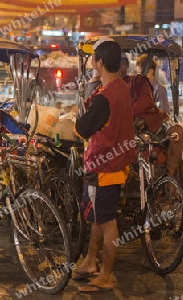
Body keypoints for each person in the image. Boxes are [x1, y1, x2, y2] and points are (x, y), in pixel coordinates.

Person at [72, 37, 136, 292]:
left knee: (107, 222)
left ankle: (106, 276)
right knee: (98, 218)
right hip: (117, 163)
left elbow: (83, 128)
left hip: (103, 167)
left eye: (93, 57)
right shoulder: (121, 87)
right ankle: (90, 262)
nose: (90, 61)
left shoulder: (104, 97)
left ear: (99, 62)